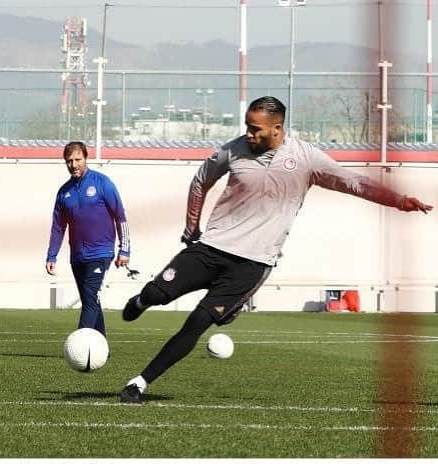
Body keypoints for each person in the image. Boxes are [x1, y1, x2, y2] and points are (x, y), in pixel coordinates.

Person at [119, 96, 432, 404]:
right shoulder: (233, 150)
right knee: (157, 295)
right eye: (247, 126)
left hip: (252, 264)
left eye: (256, 129)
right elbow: (201, 181)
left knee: (197, 323)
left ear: (277, 128)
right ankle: (141, 300)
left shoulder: (306, 159)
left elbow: (354, 183)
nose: (249, 134)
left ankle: (139, 382)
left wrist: (398, 200)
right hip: (212, 247)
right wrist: (191, 226)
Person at [46, 141, 130, 336]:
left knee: (90, 299)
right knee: (90, 300)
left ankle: (81, 343)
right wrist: (52, 255)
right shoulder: (64, 192)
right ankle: (101, 346)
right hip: (77, 256)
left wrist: (124, 250)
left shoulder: (103, 183)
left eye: (78, 159)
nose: (74, 165)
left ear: (86, 158)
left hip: (101, 253)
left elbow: (120, 217)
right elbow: (58, 227)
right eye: (69, 161)